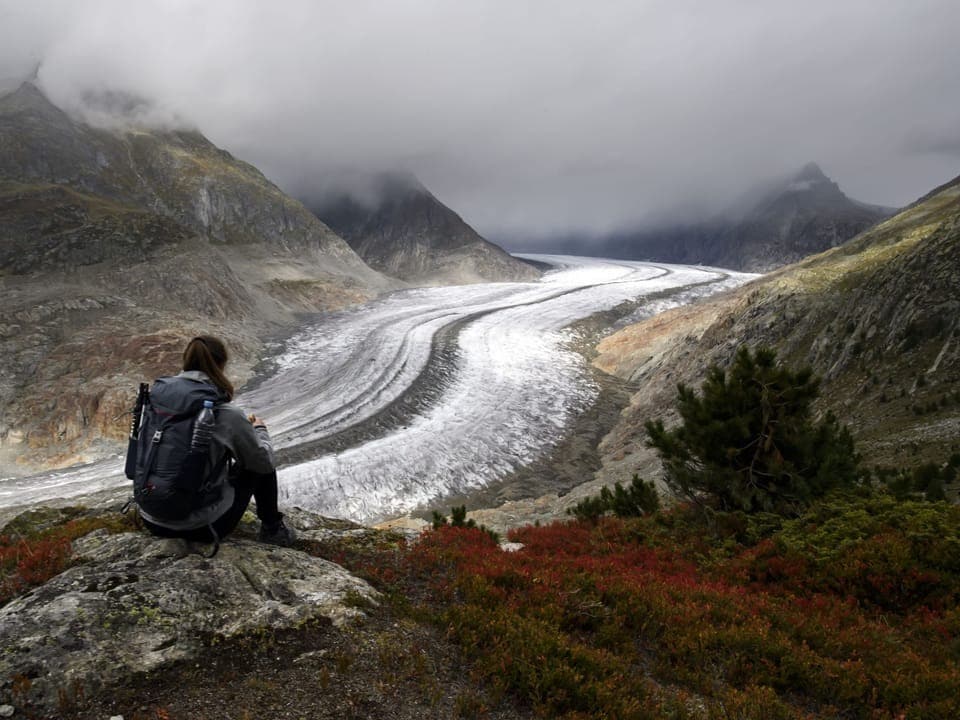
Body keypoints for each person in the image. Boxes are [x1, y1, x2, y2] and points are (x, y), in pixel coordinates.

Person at [138, 335, 296, 548]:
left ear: (185, 361)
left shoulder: (157, 400)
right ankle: (273, 528)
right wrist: (259, 430)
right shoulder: (224, 412)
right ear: (221, 364)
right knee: (258, 459)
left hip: (150, 518)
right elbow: (262, 462)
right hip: (200, 527)